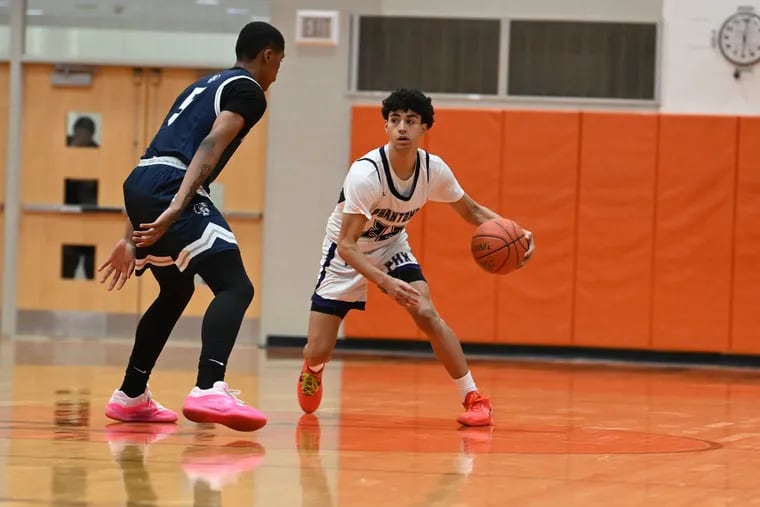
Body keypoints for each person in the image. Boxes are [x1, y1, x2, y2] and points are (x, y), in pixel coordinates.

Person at [297, 88, 534, 426]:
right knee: (319, 347)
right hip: (345, 253)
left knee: (426, 312)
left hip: (391, 246)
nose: (402, 128)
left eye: (410, 121)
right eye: (395, 121)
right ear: (386, 127)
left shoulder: (432, 170)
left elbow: (472, 211)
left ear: (424, 128)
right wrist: (384, 282)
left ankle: (475, 399)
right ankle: (313, 368)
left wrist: (518, 233)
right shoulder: (366, 174)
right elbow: (348, 245)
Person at [97, 21, 285, 432]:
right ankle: (208, 386)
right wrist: (177, 207)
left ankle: (131, 395)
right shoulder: (248, 90)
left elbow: (154, 156)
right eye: (279, 63)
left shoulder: (202, 85)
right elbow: (210, 145)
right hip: (171, 187)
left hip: (144, 181)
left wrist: (129, 235)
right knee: (236, 286)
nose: (276, 75)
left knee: (176, 289)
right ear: (268, 55)